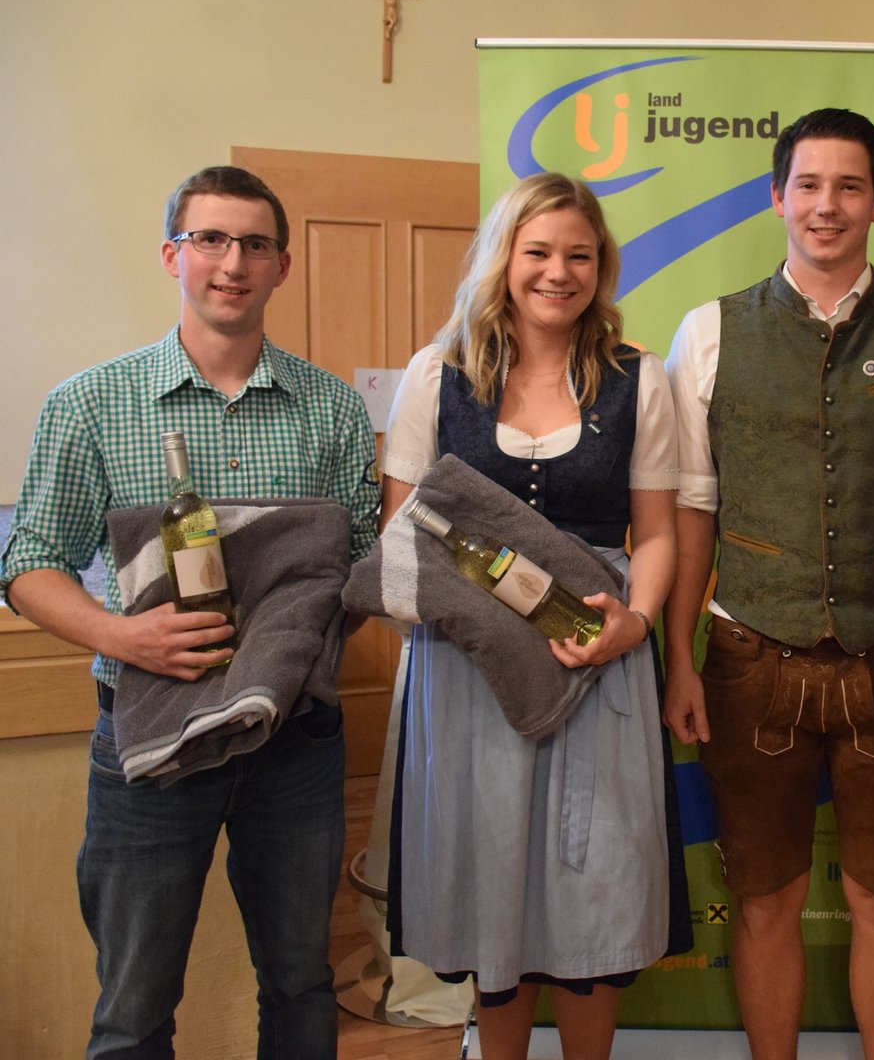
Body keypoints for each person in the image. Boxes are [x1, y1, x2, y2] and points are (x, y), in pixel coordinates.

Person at [0, 166, 379, 1059]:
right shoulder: (92, 403)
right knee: (133, 1009)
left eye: (255, 244)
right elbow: (27, 563)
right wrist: (122, 634)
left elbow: (359, 568)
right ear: (173, 255)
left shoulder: (332, 408)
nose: (232, 262)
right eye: (210, 239)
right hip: (147, 740)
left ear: (282, 266)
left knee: (301, 984)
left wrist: (291, 640)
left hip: (294, 745)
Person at [662, 107, 874, 1060]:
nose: (827, 205)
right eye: (808, 184)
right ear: (777, 197)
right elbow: (693, 509)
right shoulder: (708, 333)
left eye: (849, 186)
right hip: (747, 658)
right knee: (764, 902)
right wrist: (680, 659)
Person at [377, 172, 678, 1060]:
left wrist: (637, 621)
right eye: (538, 251)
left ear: (601, 266)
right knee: (491, 891)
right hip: (468, 667)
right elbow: (404, 533)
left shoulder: (638, 380)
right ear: (503, 258)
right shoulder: (437, 376)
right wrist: (481, 619)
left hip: (596, 656)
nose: (558, 272)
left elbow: (658, 533)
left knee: (595, 889)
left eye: (579, 255)